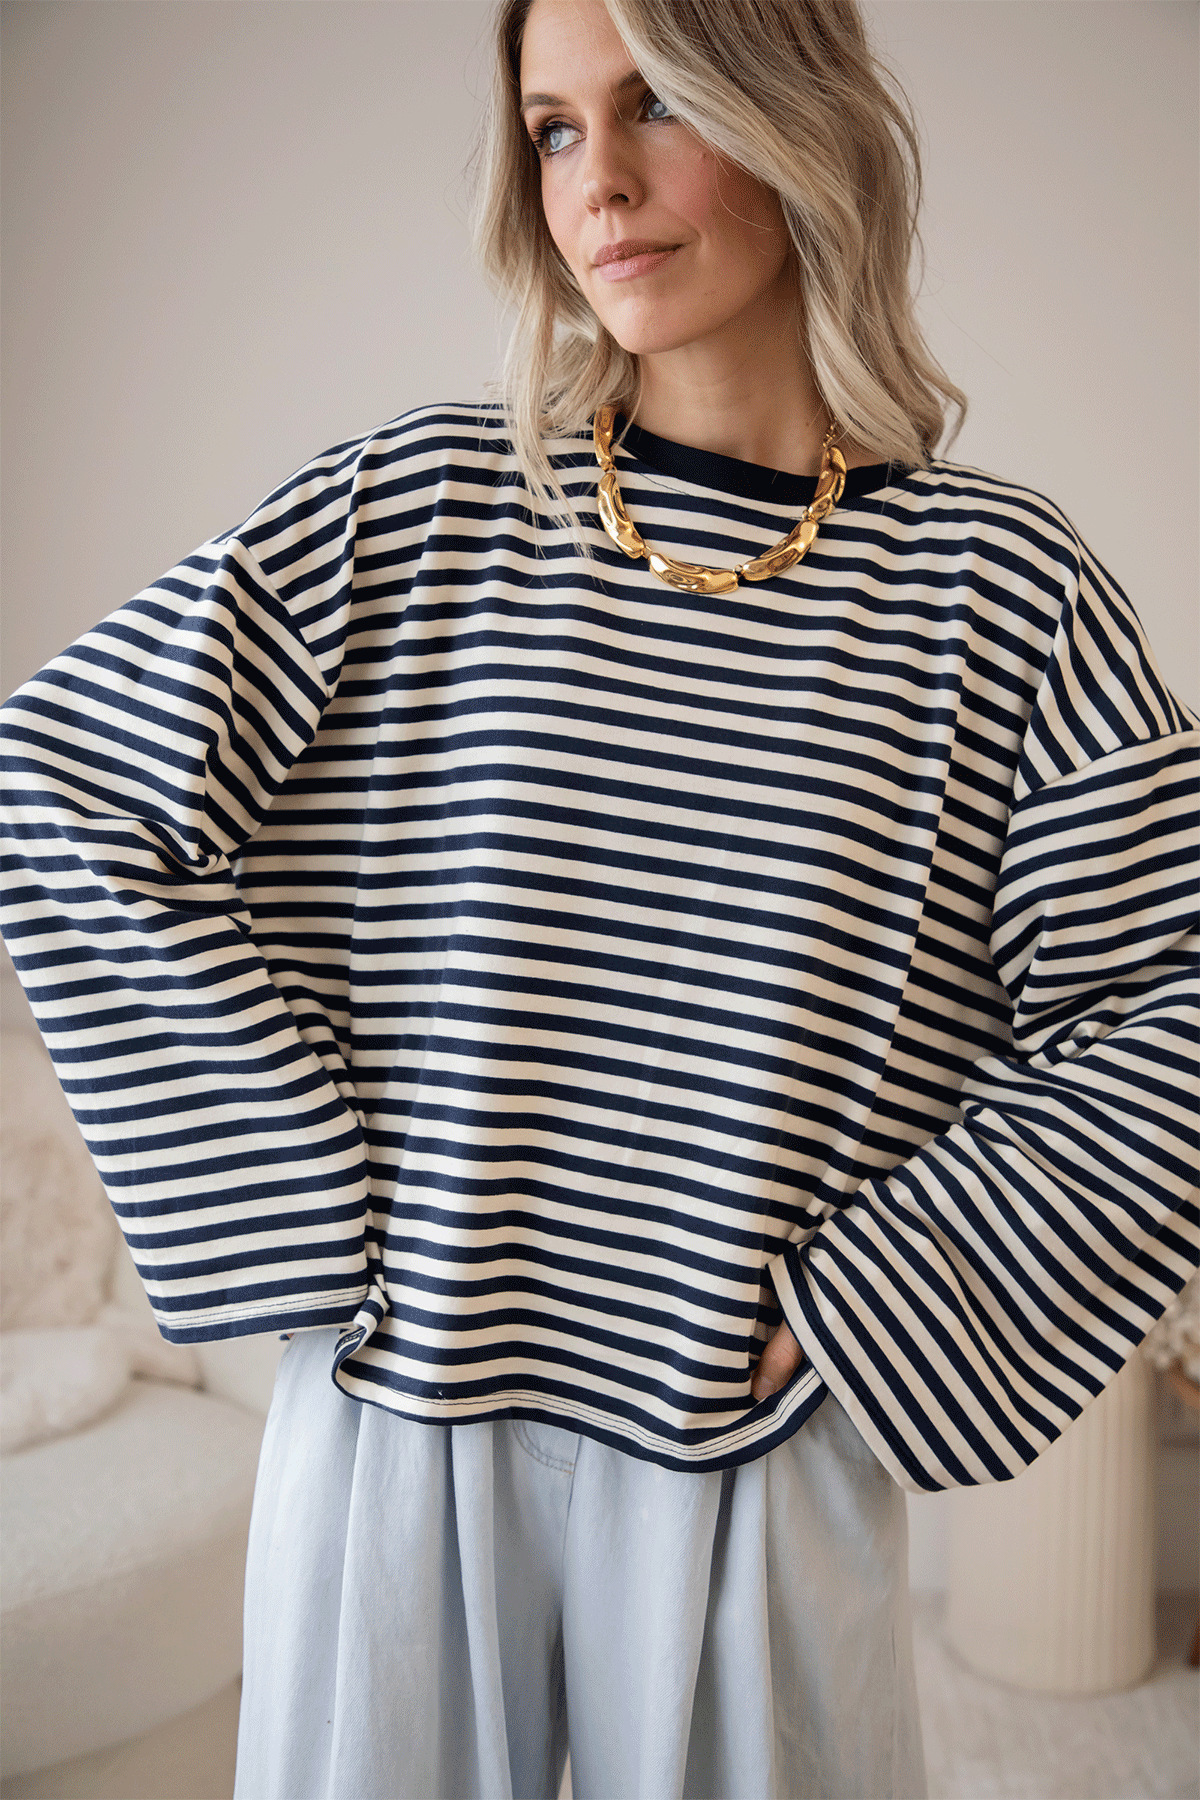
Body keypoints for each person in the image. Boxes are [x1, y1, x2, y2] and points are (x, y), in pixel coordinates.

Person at [1, 0, 1196, 1795]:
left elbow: (1168, 1004)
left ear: (793, 119)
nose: (598, 185)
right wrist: (306, 1202)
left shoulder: (996, 592)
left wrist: (887, 1295)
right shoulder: (421, 505)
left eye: (656, 106)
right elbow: (61, 778)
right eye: (553, 127)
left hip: (748, 1437)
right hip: (406, 1407)